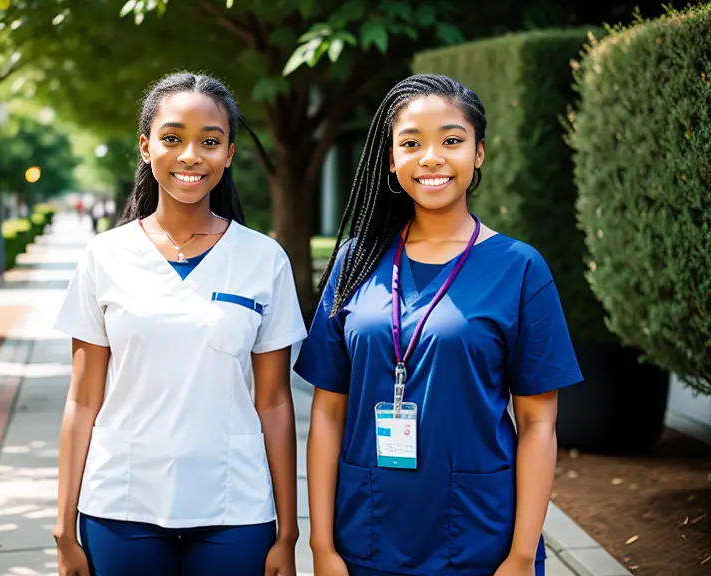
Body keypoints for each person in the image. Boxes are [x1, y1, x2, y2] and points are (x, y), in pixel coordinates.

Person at [296, 74, 583, 576]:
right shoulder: (354, 263)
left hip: (482, 540)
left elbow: (539, 423)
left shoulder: (519, 268)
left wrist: (519, 555)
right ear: (390, 159)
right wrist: (322, 546)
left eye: (452, 140)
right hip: (365, 536)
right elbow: (327, 415)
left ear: (479, 154)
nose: (431, 157)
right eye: (411, 143)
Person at [53, 72, 306, 576]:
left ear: (229, 154)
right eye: (173, 138)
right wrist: (63, 526)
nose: (191, 155)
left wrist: (288, 530)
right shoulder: (105, 256)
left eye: (209, 141)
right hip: (120, 506)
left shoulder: (264, 259)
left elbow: (275, 402)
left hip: (236, 508)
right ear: (147, 148)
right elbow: (83, 398)